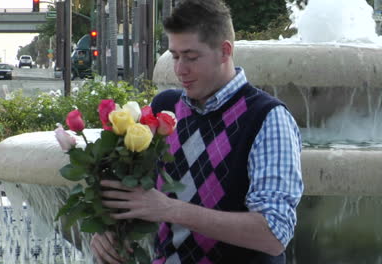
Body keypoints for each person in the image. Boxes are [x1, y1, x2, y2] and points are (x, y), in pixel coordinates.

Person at [90, 0, 303, 263]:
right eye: (175, 56)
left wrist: (170, 209)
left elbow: (274, 235)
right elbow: (138, 193)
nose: (180, 70)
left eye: (191, 57)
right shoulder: (165, 108)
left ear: (224, 51)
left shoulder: (268, 119)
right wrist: (109, 230)